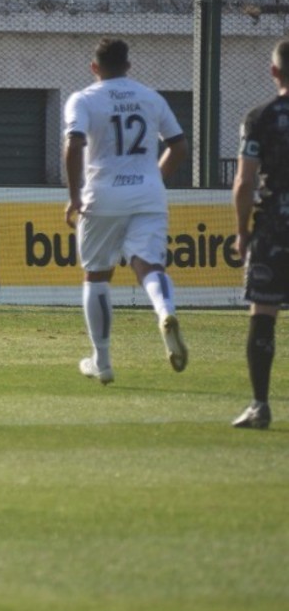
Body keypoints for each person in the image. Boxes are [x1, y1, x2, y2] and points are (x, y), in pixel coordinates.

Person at [63, 38, 189, 386]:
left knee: (97, 275)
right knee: (149, 265)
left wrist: (75, 196)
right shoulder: (151, 97)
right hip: (148, 195)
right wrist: (153, 179)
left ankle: (102, 362)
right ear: (128, 66)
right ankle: (165, 312)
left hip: (102, 196)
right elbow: (179, 146)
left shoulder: (84, 99)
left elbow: (74, 144)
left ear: (94, 67)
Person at [229, 38, 289, 430]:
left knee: (263, 314)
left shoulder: (260, 117)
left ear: (274, 71)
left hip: (274, 227)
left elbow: (244, 181)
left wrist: (242, 232)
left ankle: (260, 405)